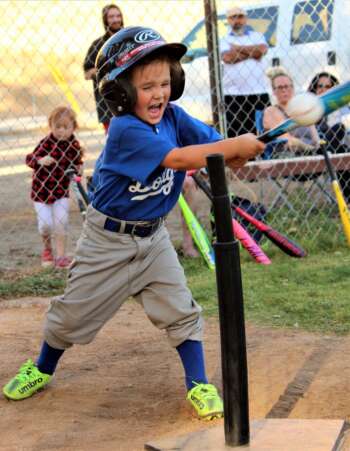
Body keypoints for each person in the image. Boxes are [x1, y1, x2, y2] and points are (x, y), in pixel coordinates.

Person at [3, 27, 265, 420]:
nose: (159, 93)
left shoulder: (174, 116)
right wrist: (232, 148)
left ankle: (197, 382)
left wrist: (233, 153)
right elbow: (179, 159)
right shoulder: (126, 131)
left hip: (153, 238)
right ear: (122, 92)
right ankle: (41, 367)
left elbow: (209, 146)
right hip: (106, 241)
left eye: (164, 82)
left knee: (180, 309)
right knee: (71, 316)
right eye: (146, 86)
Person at [25, 106, 84, 269]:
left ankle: (61, 256)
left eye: (66, 127)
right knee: (45, 225)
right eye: (57, 127)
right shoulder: (46, 143)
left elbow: (77, 164)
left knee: (61, 222)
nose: (61, 131)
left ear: (74, 127)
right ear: (51, 126)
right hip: (41, 192)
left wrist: (79, 170)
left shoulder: (74, 146)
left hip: (60, 192)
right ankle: (47, 249)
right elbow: (29, 158)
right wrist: (40, 160)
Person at [220, 5, 270, 137]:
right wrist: (252, 52)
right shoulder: (223, 39)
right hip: (234, 95)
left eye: (240, 16)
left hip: (259, 91)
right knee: (237, 134)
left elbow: (261, 51)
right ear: (228, 20)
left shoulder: (257, 35)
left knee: (264, 131)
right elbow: (228, 58)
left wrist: (236, 48)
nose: (237, 20)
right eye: (233, 17)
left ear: (246, 19)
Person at [308, 72, 350, 201]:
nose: (323, 89)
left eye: (328, 86)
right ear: (314, 89)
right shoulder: (308, 109)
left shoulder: (343, 108)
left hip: (340, 147)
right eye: (320, 86)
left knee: (341, 150)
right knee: (338, 130)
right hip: (317, 149)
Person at [83, 4, 124, 133]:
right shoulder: (97, 45)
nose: (116, 19)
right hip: (107, 102)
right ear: (105, 20)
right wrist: (105, 68)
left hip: (129, 96)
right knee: (114, 140)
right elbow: (87, 74)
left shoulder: (128, 39)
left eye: (118, 16)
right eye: (111, 16)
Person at [263, 66, 320, 156]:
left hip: (310, 153)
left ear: (293, 88)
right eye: (280, 87)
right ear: (274, 91)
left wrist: (317, 148)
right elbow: (288, 141)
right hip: (288, 155)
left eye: (287, 86)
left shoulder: (302, 108)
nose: (284, 90)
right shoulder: (272, 111)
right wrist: (310, 148)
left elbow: (316, 139)